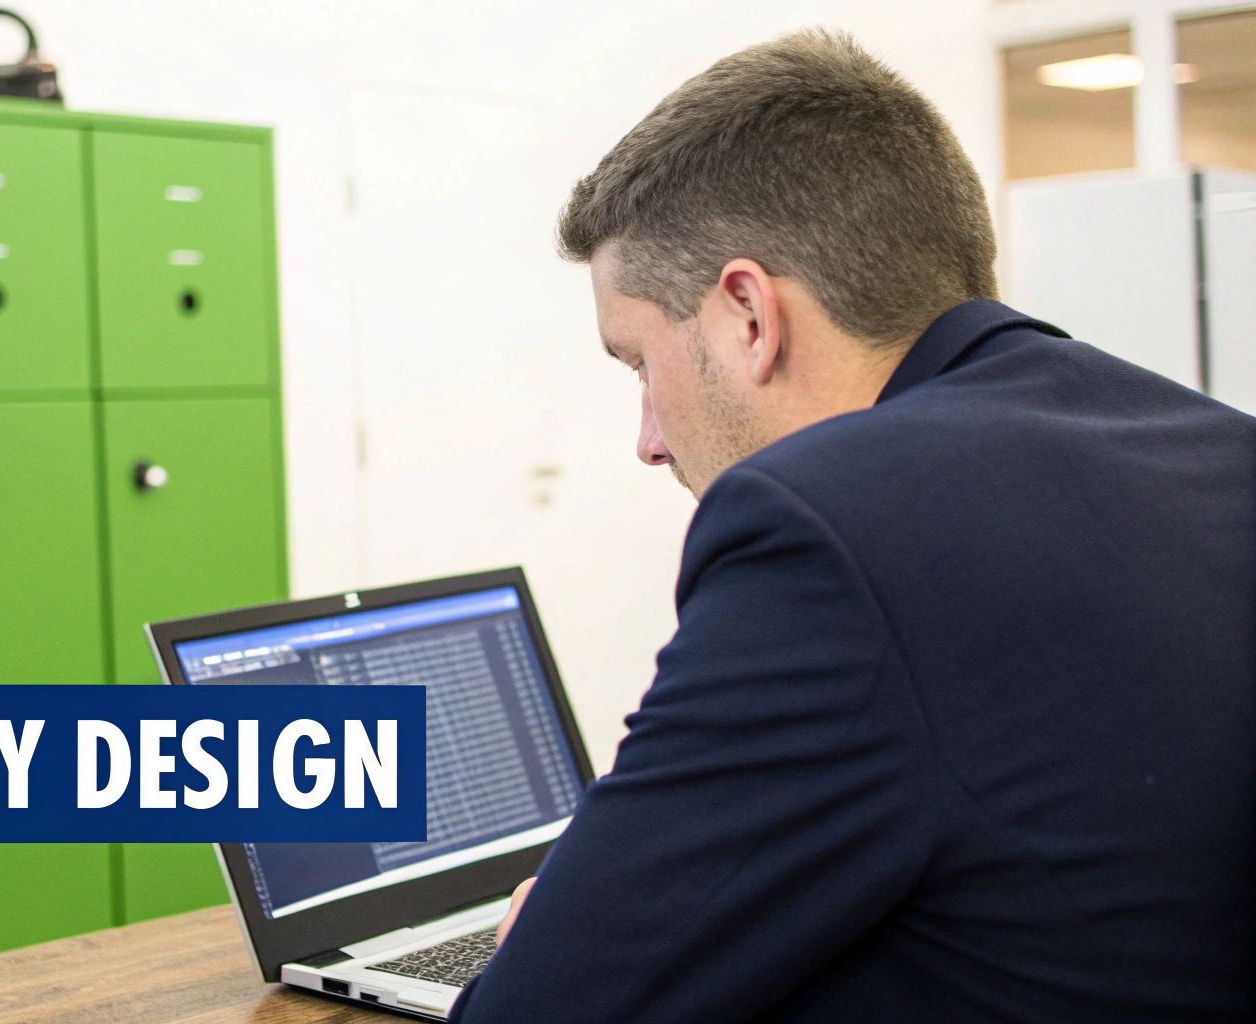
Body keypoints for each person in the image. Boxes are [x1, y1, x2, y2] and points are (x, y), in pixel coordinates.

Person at [449, 28, 1256, 1023]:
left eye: (637, 366)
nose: (646, 441)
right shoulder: (1214, 447)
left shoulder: (822, 532)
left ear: (746, 314)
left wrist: (565, 918)